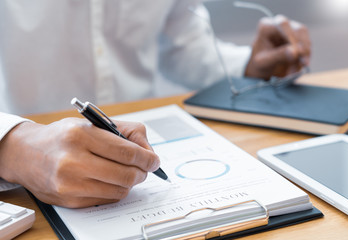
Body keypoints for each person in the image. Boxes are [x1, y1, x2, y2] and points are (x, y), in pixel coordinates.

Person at [0, 1, 310, 208]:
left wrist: (248, 66)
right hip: (22, 181)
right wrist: (11, 147)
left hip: (153, 133)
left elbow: (183, 46)